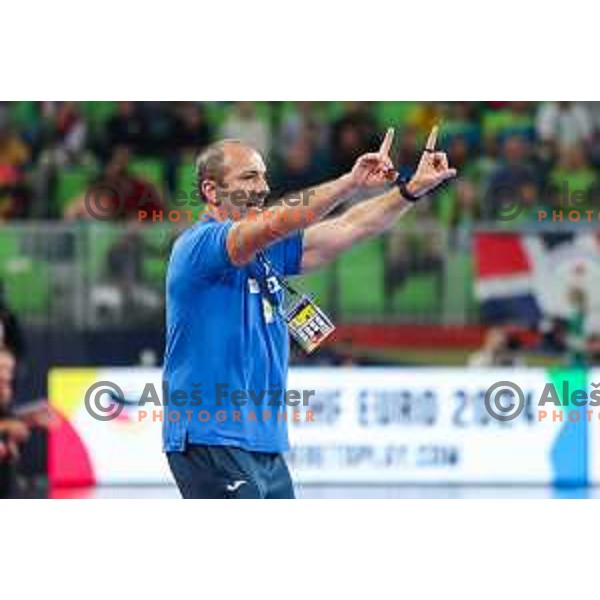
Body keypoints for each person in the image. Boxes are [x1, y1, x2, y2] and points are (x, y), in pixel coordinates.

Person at [163, 126, 456, 499]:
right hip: (212, 437)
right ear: (210, 190)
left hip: (264, 444)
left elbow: (352, 225)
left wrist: (409, 190)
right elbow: (275, 222)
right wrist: (349, 183)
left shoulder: (267, 254)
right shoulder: (199, 246)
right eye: (249, 177)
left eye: (264, 177)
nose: (262, 188)